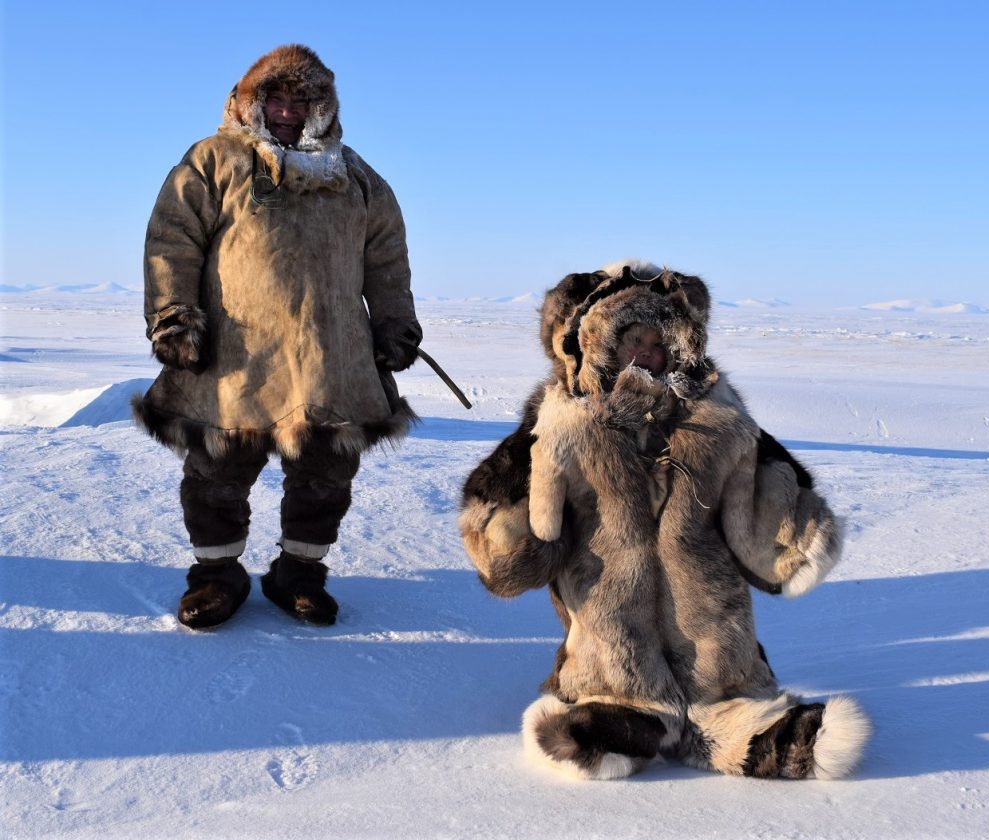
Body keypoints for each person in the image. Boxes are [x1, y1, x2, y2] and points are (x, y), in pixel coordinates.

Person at [460, 262, 868, 780]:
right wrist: (509, 537)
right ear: (591, 348)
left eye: (659, 343)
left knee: (723, 666)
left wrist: (792, 529)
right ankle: (614, 714)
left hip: (710, 610)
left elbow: (770, 489)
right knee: (611, 659)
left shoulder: (718, 415)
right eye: (630, 343)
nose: (647, 356)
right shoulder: (561, 422)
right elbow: (501, 522)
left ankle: (738, 718)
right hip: (607, 614)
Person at [133, 45, 421, 630]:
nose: (288, 111)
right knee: (218, 468)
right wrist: (174, 316)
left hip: (329, 353)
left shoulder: (355, 176)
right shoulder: (214, 161)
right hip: (235, 355)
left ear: (323, 108)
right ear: (250, 103)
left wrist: (394, 321)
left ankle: (299, 573)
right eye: (276, 98)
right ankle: (216, 576)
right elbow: (172, 240)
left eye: (302, 100)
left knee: (325, 471)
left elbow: (386, 255)